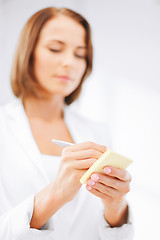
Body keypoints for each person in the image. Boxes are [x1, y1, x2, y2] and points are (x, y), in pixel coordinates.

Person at [0, 7, 133, 240]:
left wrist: (116, 207)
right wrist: (56, 194)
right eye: (55, 49)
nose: (69, 63)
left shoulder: (98, 132)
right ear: (28, 52)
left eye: (80, 54)